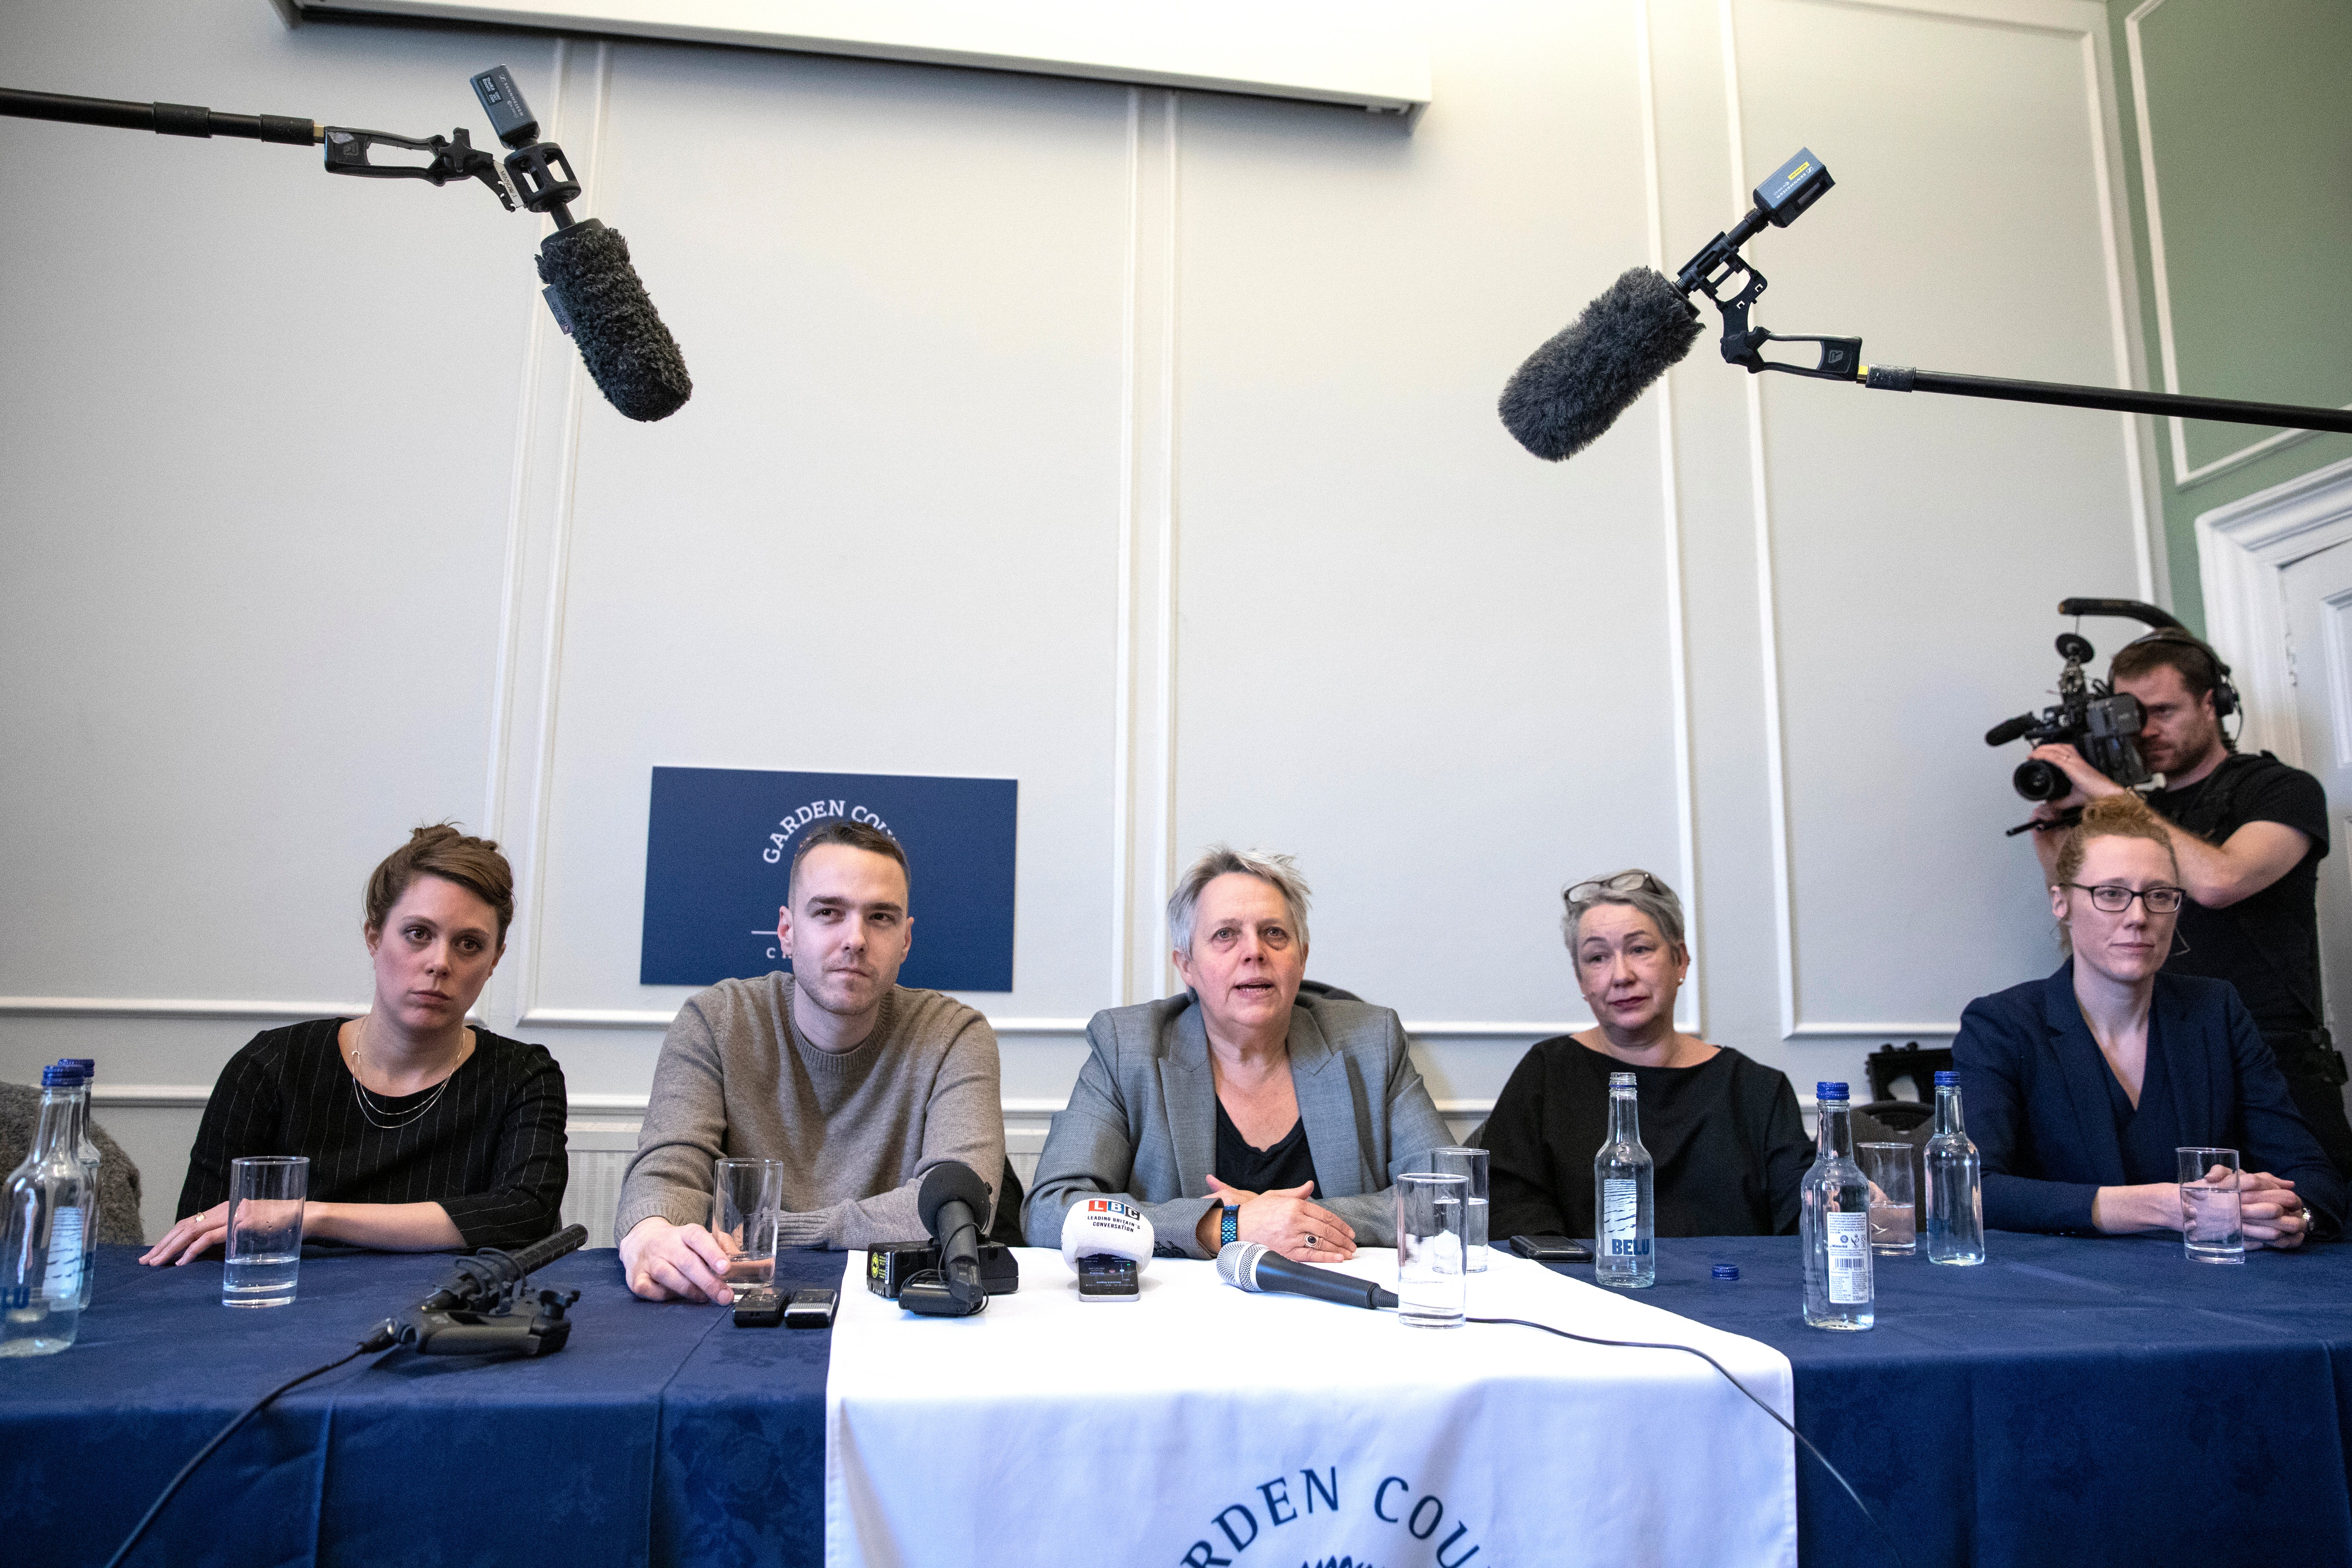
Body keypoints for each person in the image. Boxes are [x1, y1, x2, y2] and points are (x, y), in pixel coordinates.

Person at [616, 820, 1002, 1303]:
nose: (855, 938)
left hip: (893, 1305)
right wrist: (651, 1232)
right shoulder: (715, 1020)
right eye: (828, 912)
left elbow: (957, 1205)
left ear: (905, 940)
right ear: (786, 930)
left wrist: (765, 1231)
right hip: (733, 1297)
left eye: (880, 917)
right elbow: (666, 1178)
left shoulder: (955, 1033)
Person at [145, 826, 568, 1264]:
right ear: (374, 938)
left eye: (469, 944)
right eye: (418, 934)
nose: (440, 963)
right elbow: (202, 1233)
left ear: (494, 960)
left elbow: (524, 1213)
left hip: (443, 1318)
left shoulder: (523, 1075)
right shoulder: (270, 1066)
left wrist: (313, 1216)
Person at [1025, 846, 1451, 1261]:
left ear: (1301, 960)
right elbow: (1051, 1211)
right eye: (1225, 935)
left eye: (1274, 933)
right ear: (1186, 966)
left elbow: (1451, 1195)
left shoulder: (1371, 1041)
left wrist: (1294, 1221)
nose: (1254, 951)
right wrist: (1225, 1226)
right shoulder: (1127, 1047)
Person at [2026, 628, 2348, 1175]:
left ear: (2211, 703)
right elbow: (2083, 907)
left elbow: (2222, 880)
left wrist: (2107, 793)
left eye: (2163, 710)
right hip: (2161, 1054)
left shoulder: (2281, 789)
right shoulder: (2134, 808)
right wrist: (2054, 829)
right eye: (2130, 715)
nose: (2145, 731)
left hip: (2273, 1057)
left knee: (2306, 1225)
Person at [1959, 792, 2344, 1242]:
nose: (2138, 917)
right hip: (2062, 1294)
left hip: (2214, 1288)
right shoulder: (2001, 1024)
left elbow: (2312, 1175)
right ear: (2060, 902)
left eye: (2159, 895)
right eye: (2110, 894)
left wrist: (2287, 1216)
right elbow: (1971, 1189)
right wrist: (2162, 1206)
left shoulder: (2216, 1011)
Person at [1485, 870, 1811, 1240]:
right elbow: (1511, 1216)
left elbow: (1804, 1221)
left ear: (1680, 961)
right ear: (1580, 980)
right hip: (1584, 1294)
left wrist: (1846, 1208)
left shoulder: (1757, 1090)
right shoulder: (1545, 1073)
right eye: (1597, 958)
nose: (1620, 975)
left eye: (1639, 949)